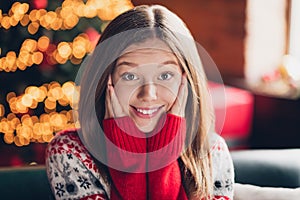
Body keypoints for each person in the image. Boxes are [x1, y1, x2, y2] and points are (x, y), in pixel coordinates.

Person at [45, 4, 234, 200]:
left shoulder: (212, 152)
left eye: (165, 75)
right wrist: (127, 157)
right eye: (130, 76)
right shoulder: (68, 151)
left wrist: (163, 157)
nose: (148, 94)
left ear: (188, 81)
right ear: (104, 79)